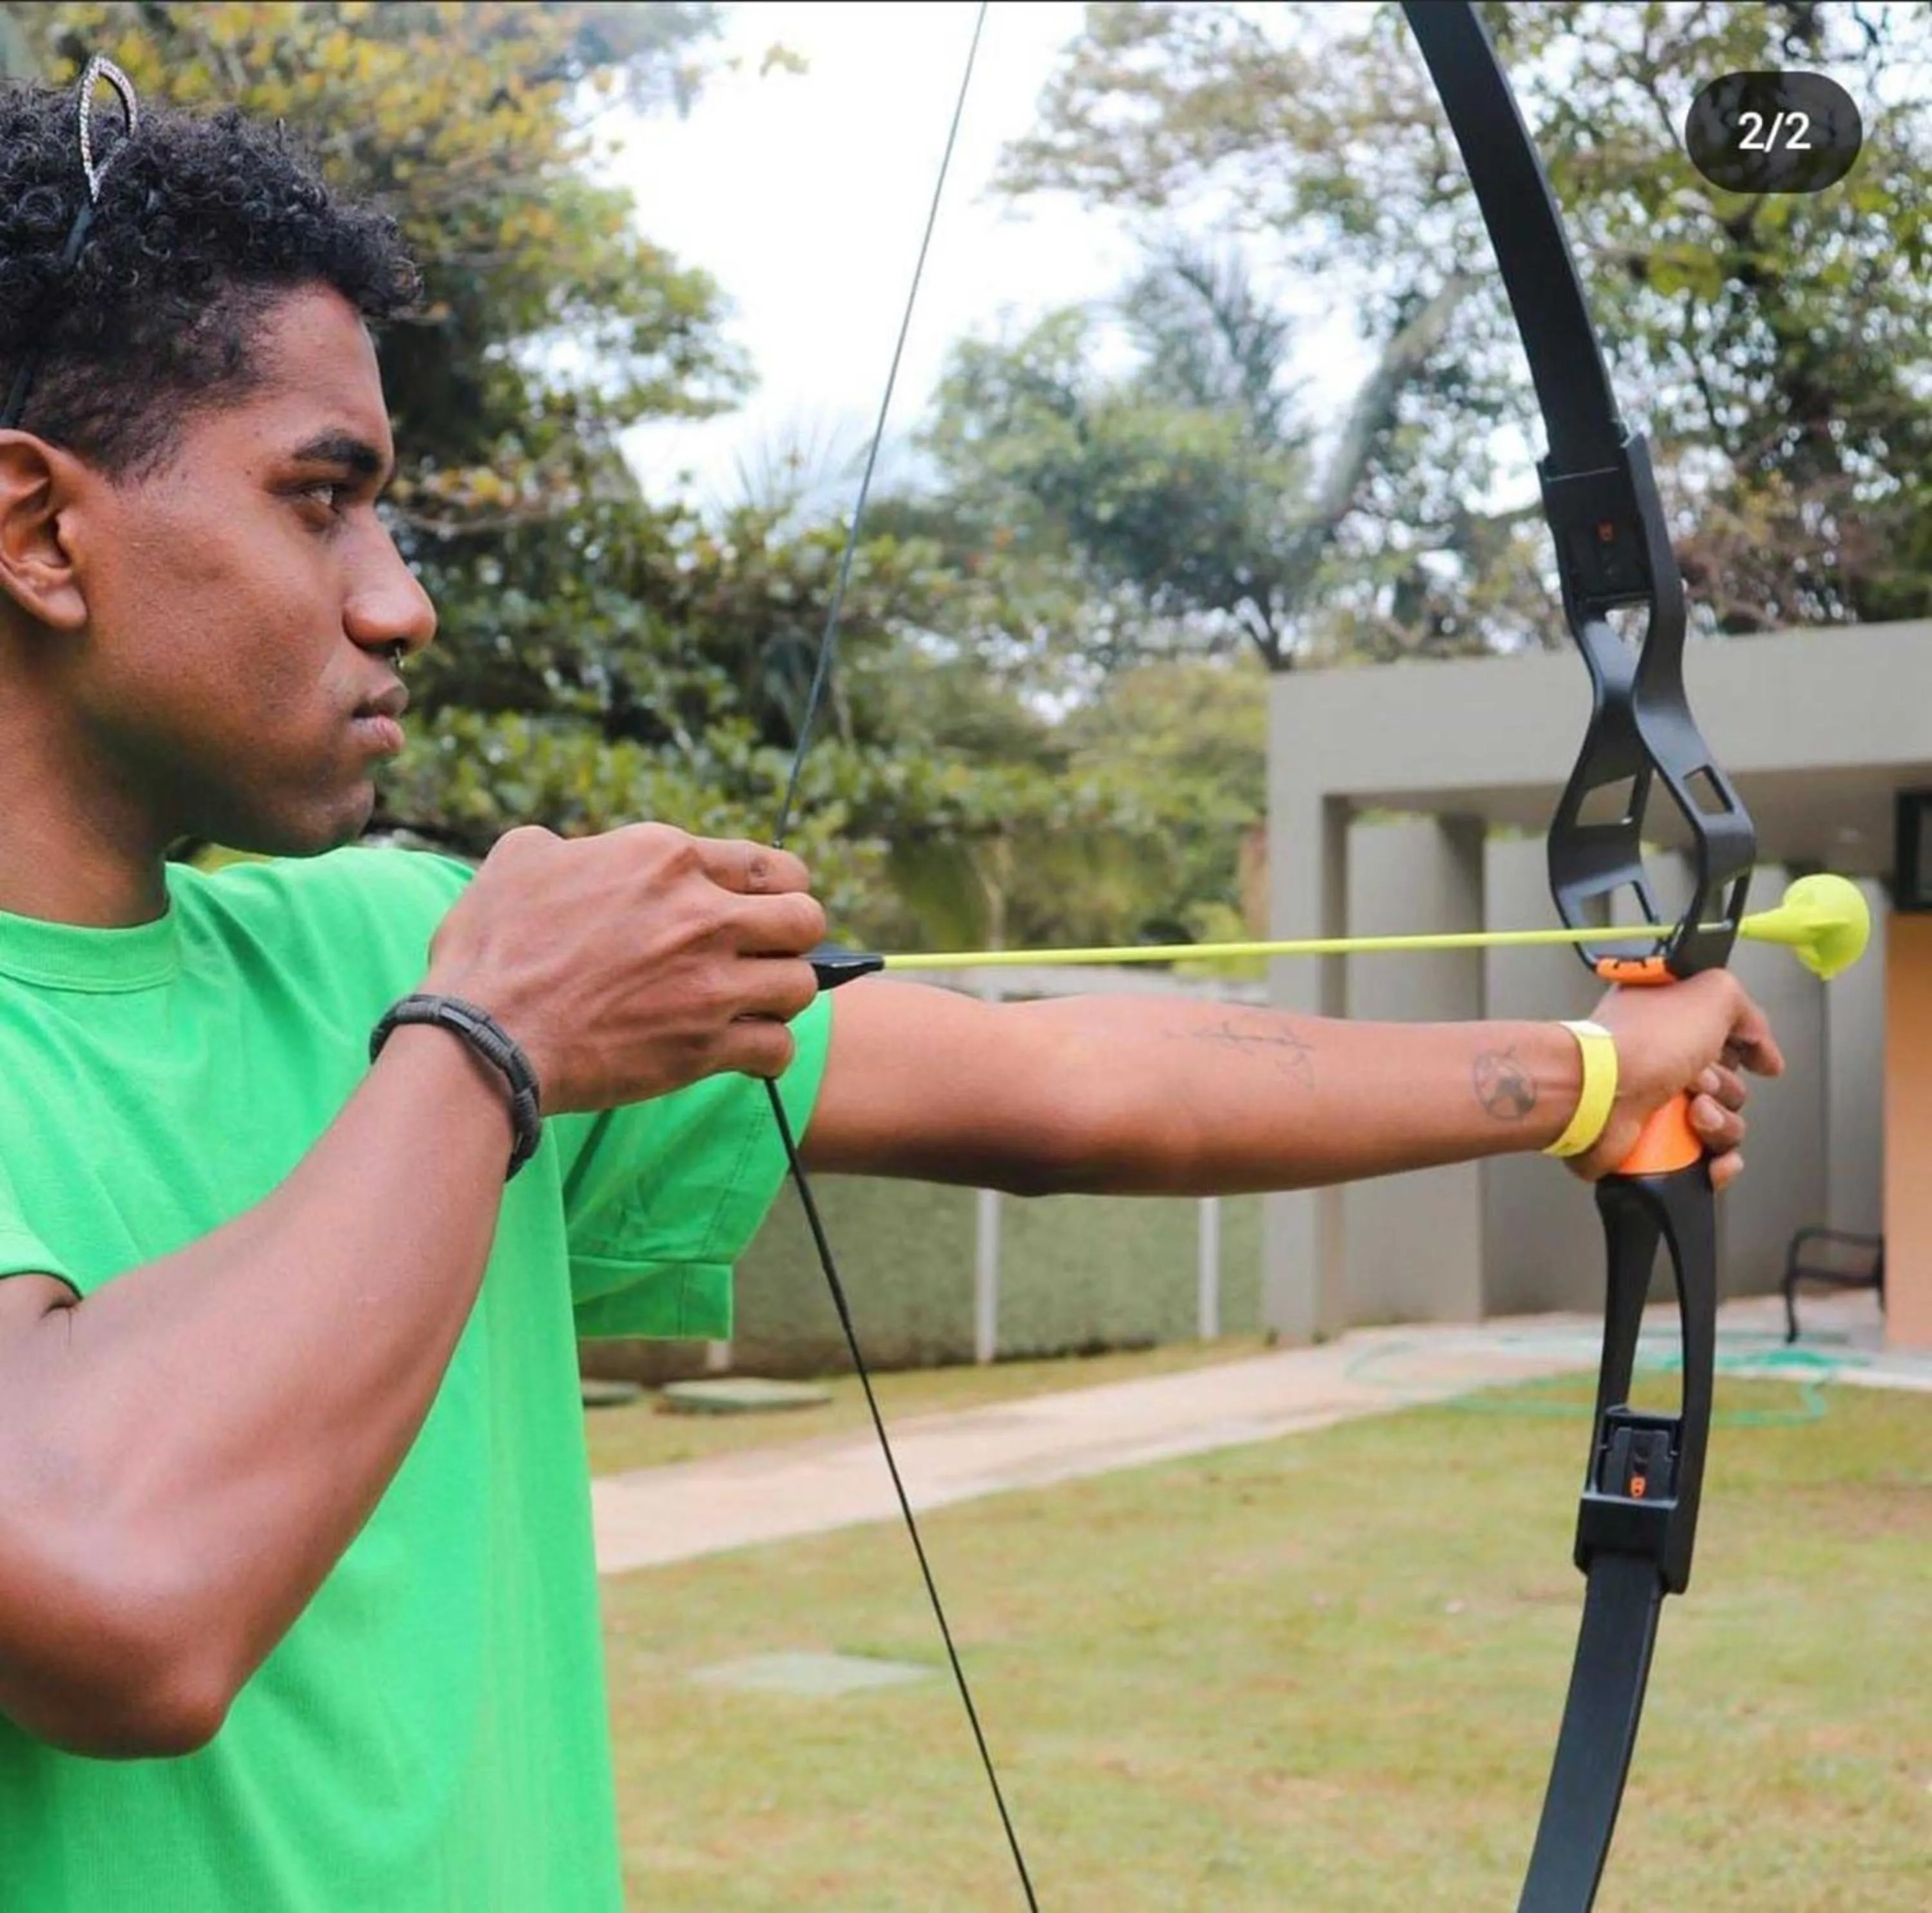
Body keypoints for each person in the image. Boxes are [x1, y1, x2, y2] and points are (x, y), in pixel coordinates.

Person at [0, 64, 1782, 1913]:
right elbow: (126, 1600)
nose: (400, 603)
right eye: (320, 503)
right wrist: (491, 1042)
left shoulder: (393, 949)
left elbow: (1062, 1088)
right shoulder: (471, 1008)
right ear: (45, 532)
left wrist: (1591, 1077)